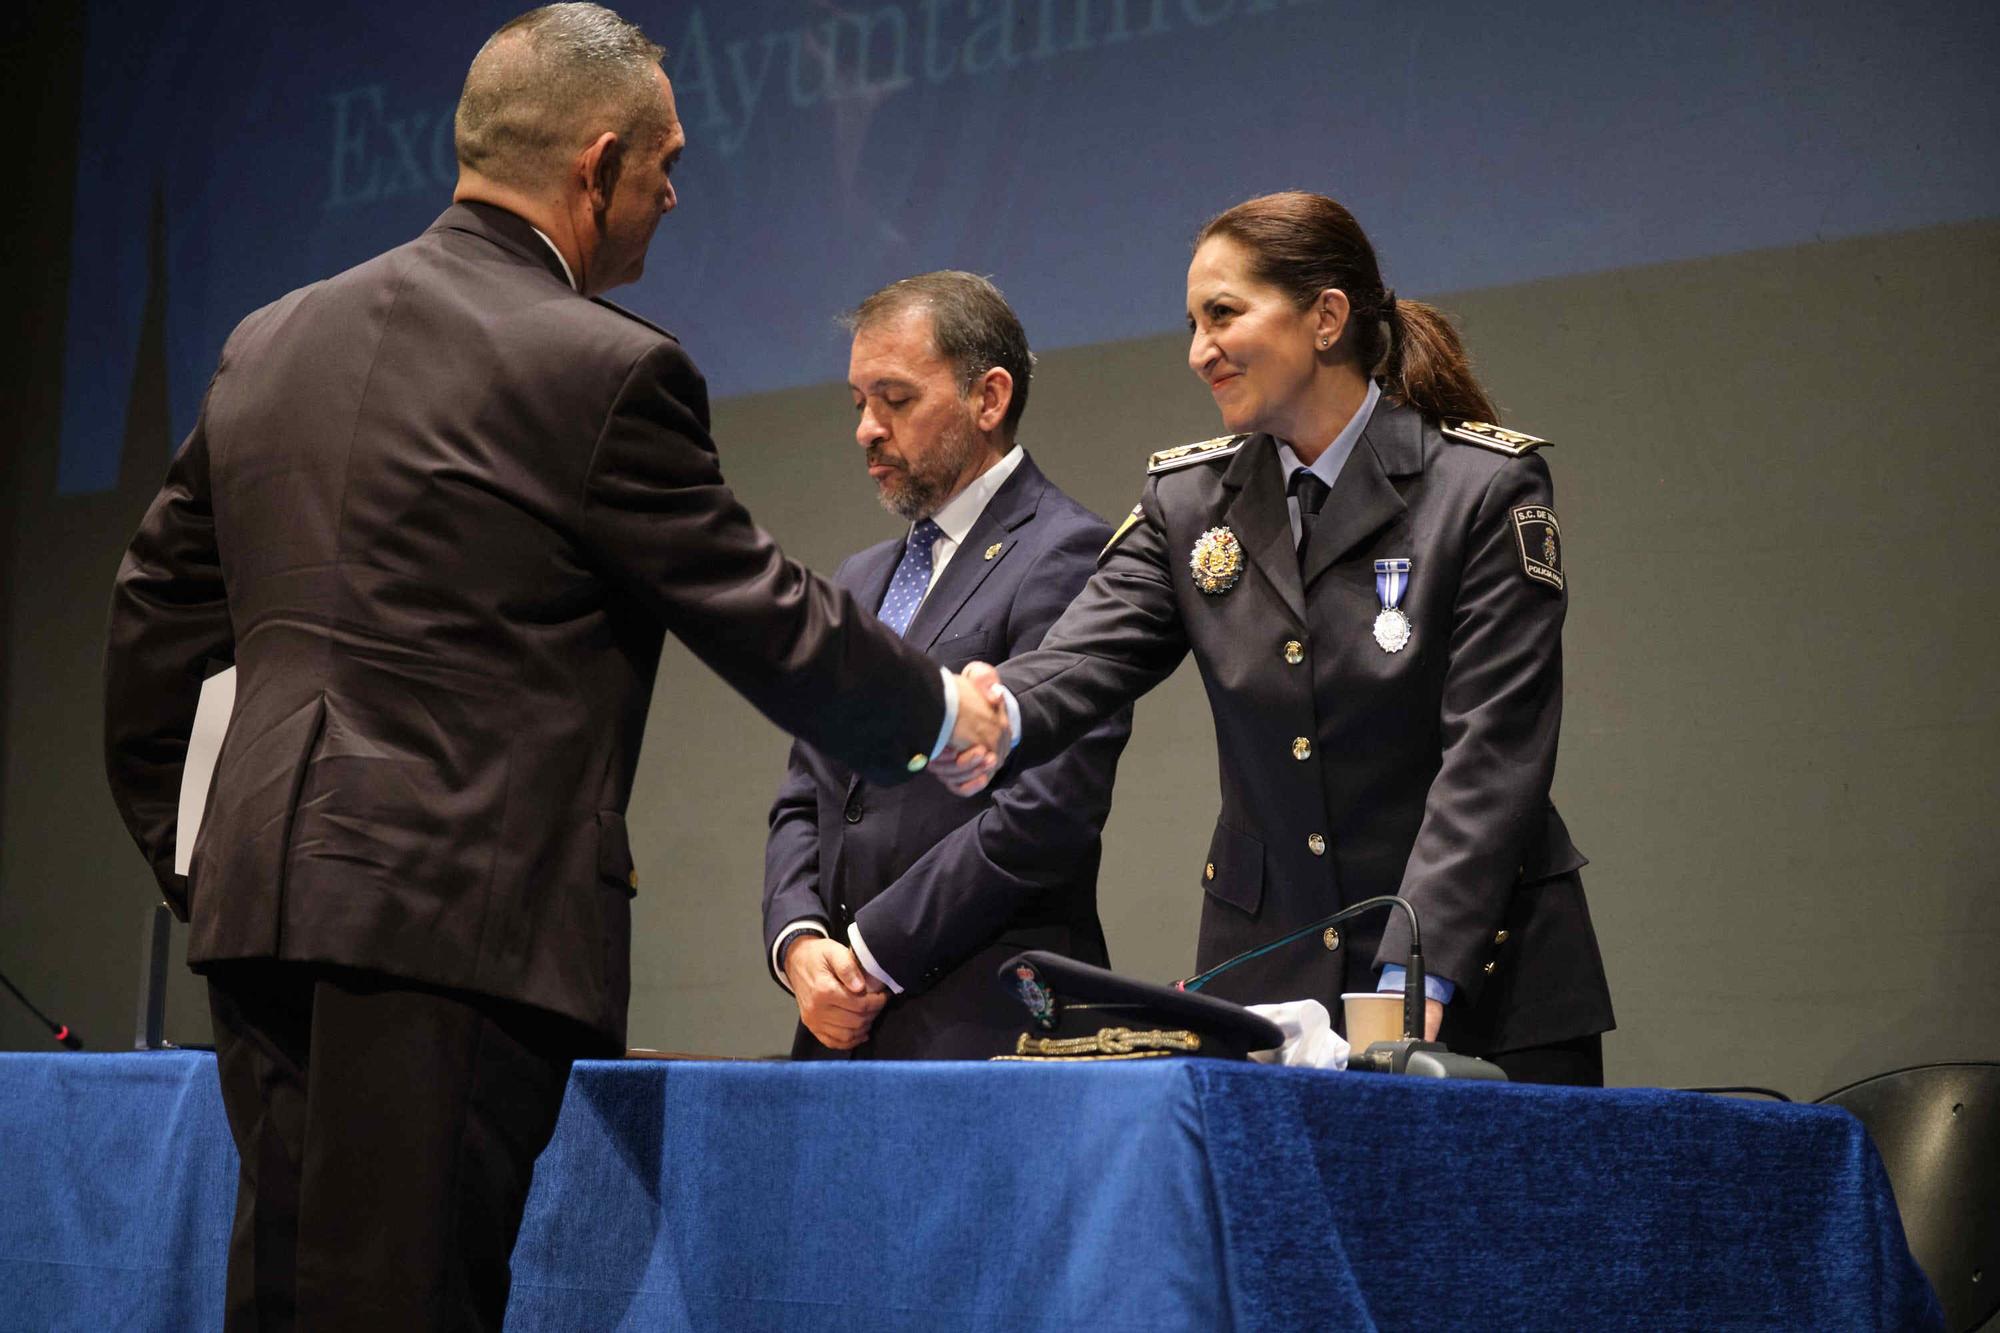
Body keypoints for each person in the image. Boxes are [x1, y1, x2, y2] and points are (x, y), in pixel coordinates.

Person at [100, 6, 1009, 1329]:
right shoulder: (602, 368)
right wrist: (939, 710)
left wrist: (207, 856)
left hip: (264, 924)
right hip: (452, 926)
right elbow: (757, 611)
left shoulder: (271, 339)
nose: (675, 193)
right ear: (595, 170)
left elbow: (153, 629)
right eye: (664, 165)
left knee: (289, 1301)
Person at [969, 191, 1615, 1085]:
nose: (1199, 352)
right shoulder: (1189, 503)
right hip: (1273, 988)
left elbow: (1492, 758)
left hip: (1480, 982)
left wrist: (1411, 977)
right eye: (1192, 324)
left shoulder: (1481, 489)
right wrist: (979, 713)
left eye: (1223, 315)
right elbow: (1082, 659)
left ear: (1326, 316)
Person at [762, 273, 1132, 1059]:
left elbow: (1045, 812)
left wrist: (867, 956)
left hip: (990, 1031)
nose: (866, 428)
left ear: (988, 399)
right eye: (858, 403)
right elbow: (807, 794)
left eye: (893, 400)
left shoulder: (1064, 553)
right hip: (841, 1032)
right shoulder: (860, 578)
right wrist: (799, 944)